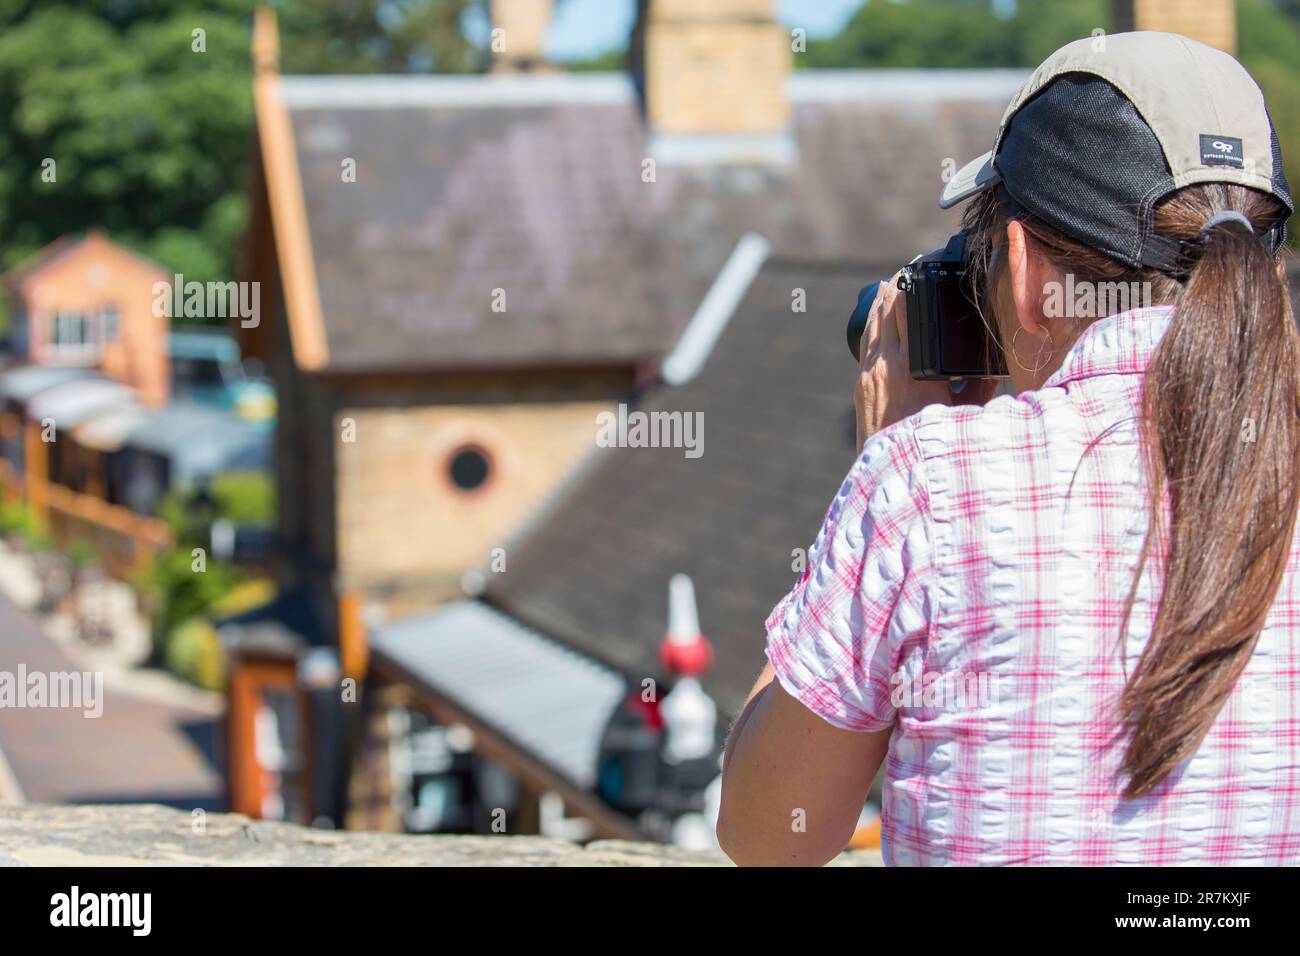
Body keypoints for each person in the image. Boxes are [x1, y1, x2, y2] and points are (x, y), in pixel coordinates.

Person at [717, 31, 1300, 866]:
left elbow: (767, 837)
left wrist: (886, 468)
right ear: (1264, 277)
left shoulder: (924, 484)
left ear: (1024, 274)